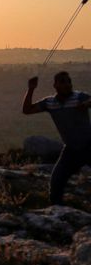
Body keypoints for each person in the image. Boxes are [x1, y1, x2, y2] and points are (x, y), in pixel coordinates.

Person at [23, 71, 91, 205]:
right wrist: (31, 89)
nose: (67, 85)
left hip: (89, 145)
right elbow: (27, 110)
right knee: (56, 181)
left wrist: (86, 104)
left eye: (69, 81)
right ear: (55, 85)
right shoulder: (50, 103)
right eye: (63, 81)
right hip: (71, 150)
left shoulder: (79, 97)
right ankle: (57, 211)